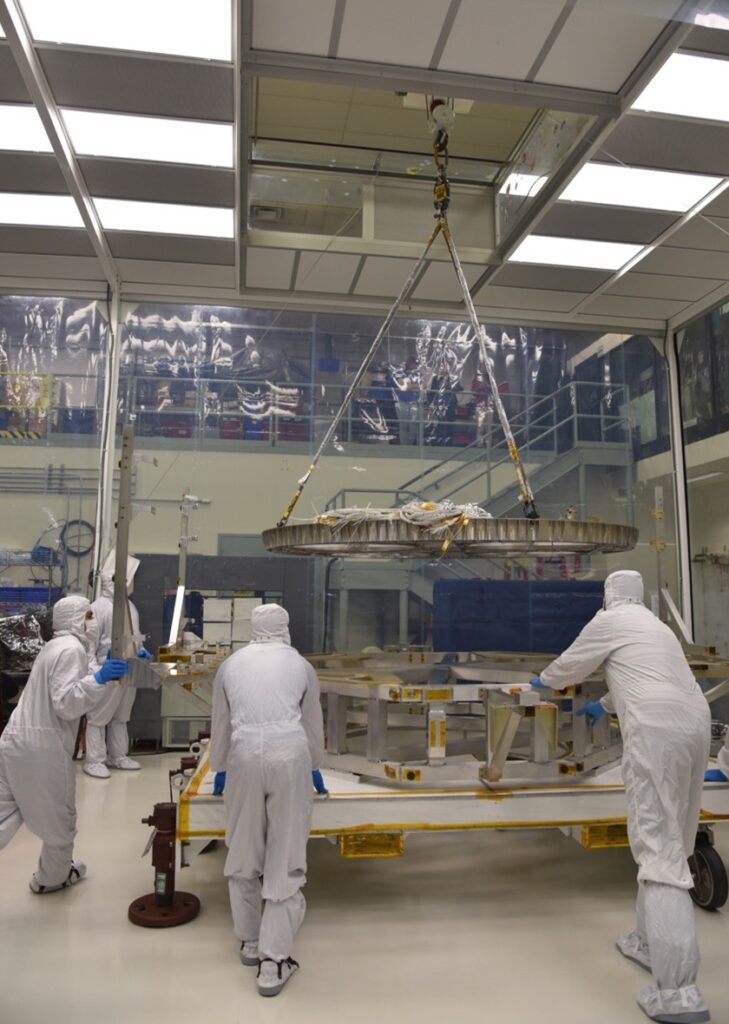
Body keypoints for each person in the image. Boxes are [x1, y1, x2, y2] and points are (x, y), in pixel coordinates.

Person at [531, 570, 711, 1024]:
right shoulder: (656, 627)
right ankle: (647, 943)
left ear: (608, 596)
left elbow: (569, 667)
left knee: (659, 852)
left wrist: (539, 684)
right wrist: (606, 706)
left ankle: (680, 995)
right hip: (695, 723)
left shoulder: (610, 619)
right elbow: (648, 673)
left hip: (658, 731)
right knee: (676, 840)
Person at [209, 603, 324, 997]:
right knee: (285, 854)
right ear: (285, 627)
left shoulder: (232, 664)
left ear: (253, 627)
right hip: (289, 756)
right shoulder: (300, 665)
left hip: (242, 756)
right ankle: (274, 962)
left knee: (243, 850)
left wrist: (219, 766)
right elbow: (312, 723)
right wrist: (315, 765)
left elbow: (220, 722)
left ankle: (250, 942)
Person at [0, 596, 128, 892]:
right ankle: (51, 879)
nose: (92, 622)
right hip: (42, 748)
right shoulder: (71, 649)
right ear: (74, 619)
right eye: (88, 616)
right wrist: (100, 680)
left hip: (14, 741)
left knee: (5, 812)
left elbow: (76, 675)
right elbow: (66, 703)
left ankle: (52, 874)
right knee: (61, 821)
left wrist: (110, 666)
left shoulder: (56, 646)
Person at [84, 552, 151, 779]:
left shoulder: (130, 607)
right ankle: (94, 760)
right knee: (99, 716)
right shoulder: (97, 608)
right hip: (106, 669)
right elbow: (88, 647)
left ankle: (118, 755)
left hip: (129, 668)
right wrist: (96, 673)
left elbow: (135, 636)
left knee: (121, 715)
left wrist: (139, 650)